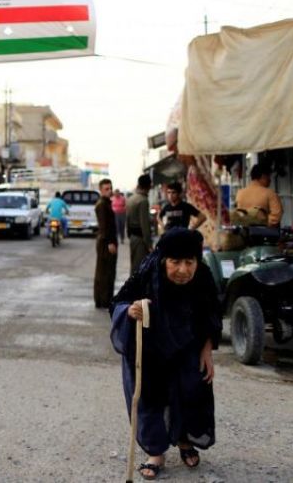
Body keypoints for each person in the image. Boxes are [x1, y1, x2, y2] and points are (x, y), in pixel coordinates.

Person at [110, 228, 221, 480]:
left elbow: (211, 313)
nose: (183, 270)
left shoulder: (202, 276)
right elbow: (118, 303)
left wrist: (207, 349)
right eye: (175, 262)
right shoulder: (148, 274)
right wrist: (130, 311)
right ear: (163, 260)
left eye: (189, 262)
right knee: (151, 397)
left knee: (192, 390)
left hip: (189, 346)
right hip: (151, 349)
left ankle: (184, 441)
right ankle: (155, 452)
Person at [94, 178, 118, 308]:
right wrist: (110, 243)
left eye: (110, 188)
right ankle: (104, 300)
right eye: (106, 189)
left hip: (106, 241)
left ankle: (104, 299)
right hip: (105, 243)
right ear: (101, 190)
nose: (109, 191)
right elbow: (104, 226)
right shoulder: (102, 204)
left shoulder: (106, 203)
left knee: (106, 271)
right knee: (105, 273)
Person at [127, 174, 153, 275]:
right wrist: (149, 244)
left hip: (133, 237)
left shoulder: (131, 199)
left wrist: (129, 235)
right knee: (139, 268)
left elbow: (127, 220)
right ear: (149, 186)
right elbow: (145, 225)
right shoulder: (143, 201)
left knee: (134, 265)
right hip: (140, 239)